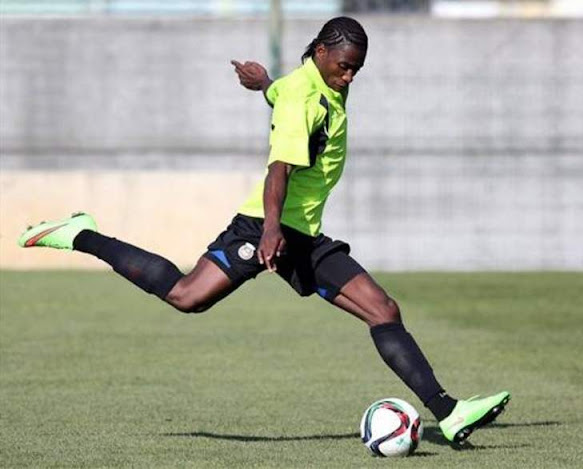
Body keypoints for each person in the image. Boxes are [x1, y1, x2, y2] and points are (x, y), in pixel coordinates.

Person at [18, 16, 509, 446]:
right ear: (321, 52)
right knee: (187, 296)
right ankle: (81, 235)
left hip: (303, 234)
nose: (349, 75)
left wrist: (264, 84)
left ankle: (448, 412)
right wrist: (271, 230)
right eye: (344, 66)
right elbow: (279, 169)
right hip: (265, 226)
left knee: (383, 309)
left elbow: (283, 94)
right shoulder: (304, 99)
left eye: (357, 68)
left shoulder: (311, 86)